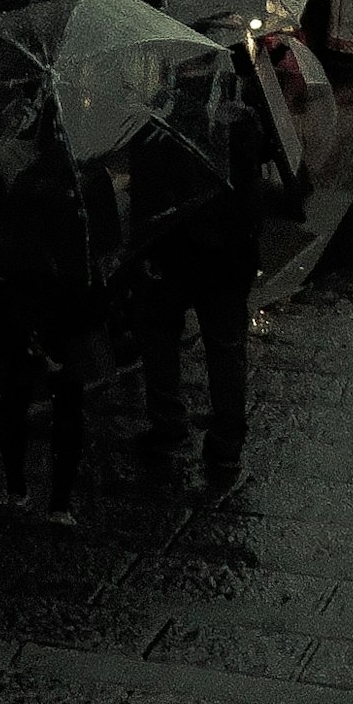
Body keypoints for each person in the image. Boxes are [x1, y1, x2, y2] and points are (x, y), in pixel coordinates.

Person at [116, 44, 289, 490]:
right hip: (226, 259)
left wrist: (142, 251)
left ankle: (168, 421)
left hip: (172, 254)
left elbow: (146, 193)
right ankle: (226, 443)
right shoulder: (242, 120)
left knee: (160, 337)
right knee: (226, 348)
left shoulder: (161, 119)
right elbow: (263, 177)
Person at [0, 76, 108, 520]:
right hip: (69, 307)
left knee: (16, 395)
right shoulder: (90, 180)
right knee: (68, 402)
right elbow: (106, 246)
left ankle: (16, 488)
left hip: (22, 306)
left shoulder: (14, 177)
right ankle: (59, 503)